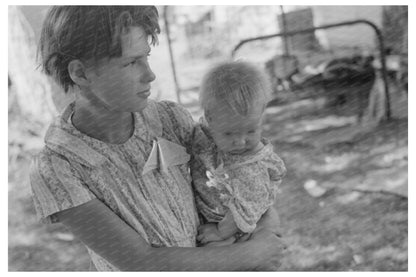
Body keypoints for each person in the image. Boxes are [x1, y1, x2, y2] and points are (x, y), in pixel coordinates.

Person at [29, 6, 286, 271]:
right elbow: (140, 262)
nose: (149, 74)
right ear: (80, 73)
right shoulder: (58, 168)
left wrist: (265, 229)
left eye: (146, 57)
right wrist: (251, 254)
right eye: (131, 62)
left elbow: (249, 176)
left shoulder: (169, 119)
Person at [190, 61, 287, 245]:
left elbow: (246, 209)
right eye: (229, 133)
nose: (241, 141)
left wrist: (220, 233)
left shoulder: (251, 167)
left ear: (261, 114)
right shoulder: (206, 132)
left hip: (239, 229)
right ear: (210, 118)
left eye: (251, 131)